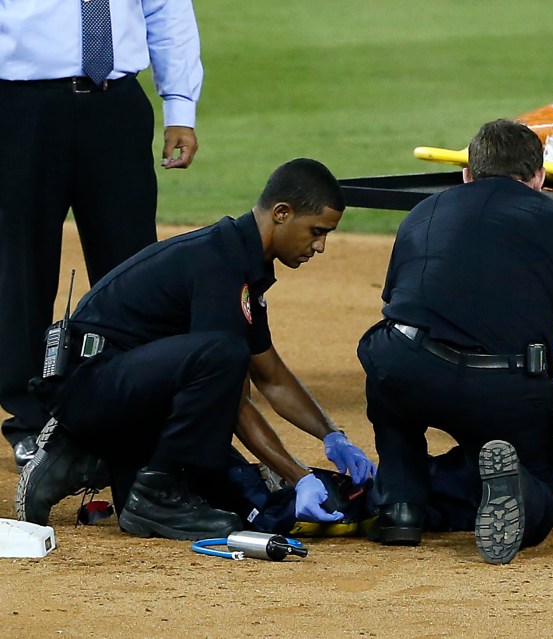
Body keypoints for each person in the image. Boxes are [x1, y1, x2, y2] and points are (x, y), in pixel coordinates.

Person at [16, 159, 375, 541]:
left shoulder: (239, 260)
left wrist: (333, 436)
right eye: (317, 232)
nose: (320, 246)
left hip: (121, 388)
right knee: (223, 356)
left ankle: (96, 458)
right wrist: (297, 474)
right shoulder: (220, 266)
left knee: (227, 492)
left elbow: (272, 377)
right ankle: (153, 492)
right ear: (282, 213)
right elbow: (231, 398)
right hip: (91, 388)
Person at [357, 119, 553, 564]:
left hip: (412, 372)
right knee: (544, 482)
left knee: (387, 355)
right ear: (540, 178)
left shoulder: (423, 213)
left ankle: (400, 506)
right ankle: (521, 491)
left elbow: (400, 308)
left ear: (467, 173)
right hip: (505, 391)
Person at [0, 0, 203, 470]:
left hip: (118, 105)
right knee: (22, 267)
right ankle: (31, 419)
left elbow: (167, 11)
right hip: (20, 107)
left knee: (132, 266)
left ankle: (135, 408)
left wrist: (180, 106)